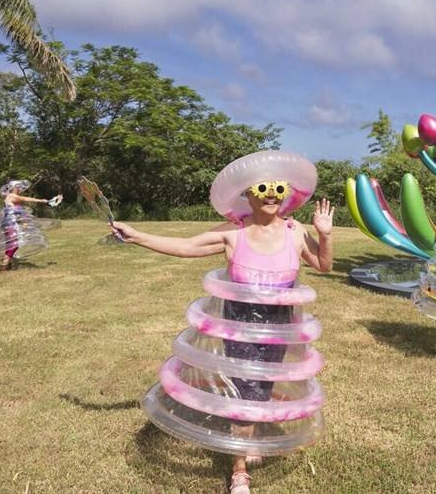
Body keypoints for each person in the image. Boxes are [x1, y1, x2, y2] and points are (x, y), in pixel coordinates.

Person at [112, 151, 333, 494]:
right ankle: (239, 468)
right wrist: (138, 236)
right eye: (263, 187)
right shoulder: (234, 232)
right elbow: (185, 246)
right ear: (247, 194)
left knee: (263, 386)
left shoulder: (295, 231)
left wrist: (326, 234)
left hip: (280, 326)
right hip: (239, 324)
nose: (272, 194)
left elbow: (322, 264)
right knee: (244, 390)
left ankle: (251, 438)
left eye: (278, 187)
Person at [0, 180, 61, 270]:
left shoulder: (12, 197)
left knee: (12, 244)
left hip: (10, 223)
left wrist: (47, 202)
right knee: (14, 244)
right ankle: (4, 265)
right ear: (14, 188)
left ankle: (8, 263)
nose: (20, 189)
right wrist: (43, 201)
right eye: (18, 187)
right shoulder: (11, 196)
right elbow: (26, 199)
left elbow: (21, 207)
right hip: (10, 223)